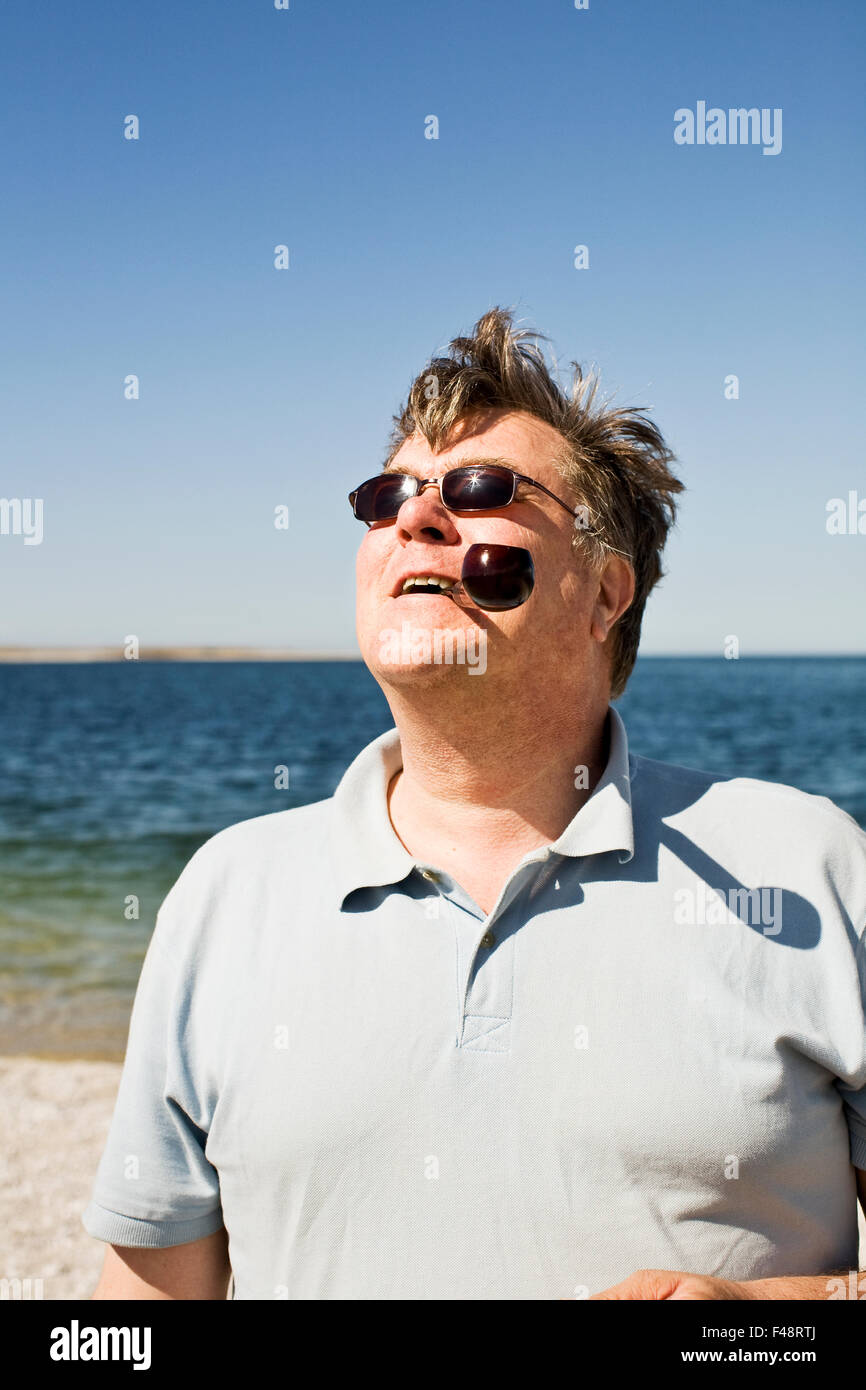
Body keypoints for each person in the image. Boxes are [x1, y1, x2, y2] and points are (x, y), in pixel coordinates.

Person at [84, 307, 866, 1300]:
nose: (414, 516)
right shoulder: (227, 892)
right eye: (387, 495)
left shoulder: (808, 868)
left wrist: (752, 1316)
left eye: (480, 490)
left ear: (603, 592)